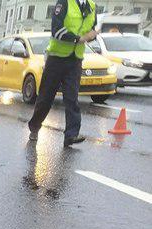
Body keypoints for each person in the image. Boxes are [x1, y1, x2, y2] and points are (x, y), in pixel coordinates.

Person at [28, 0, 97, 147]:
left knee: (72, 98)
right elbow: (56, 29)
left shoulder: (91, 6)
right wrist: (78, 39)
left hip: (75, 59)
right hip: (57, 58)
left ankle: (71, 135)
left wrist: (93, 35)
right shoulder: (64, 2)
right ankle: (34, 127)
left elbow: (91, 30)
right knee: (46, 97)